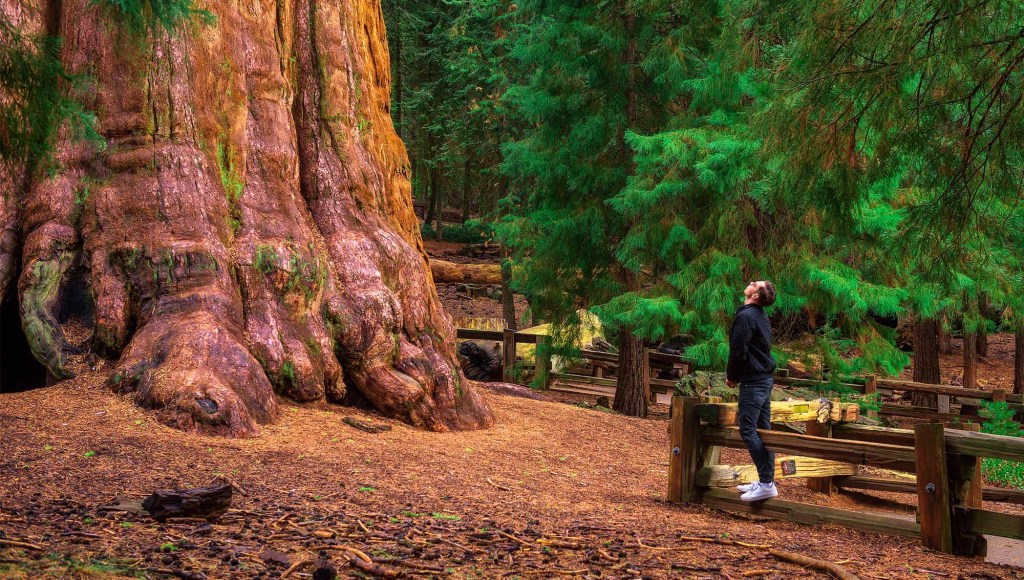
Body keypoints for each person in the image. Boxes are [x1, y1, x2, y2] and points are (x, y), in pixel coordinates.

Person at [726, 280, 778, 501]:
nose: (749, 282)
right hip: (764, 379)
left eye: (755, 284)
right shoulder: (758, 316)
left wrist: (732, 376)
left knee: (748, 430)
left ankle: (766, 483)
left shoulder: (747, 316)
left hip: (755, 382)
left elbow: (739, 350)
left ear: (755, 295)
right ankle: (767, 481)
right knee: (764, 431)